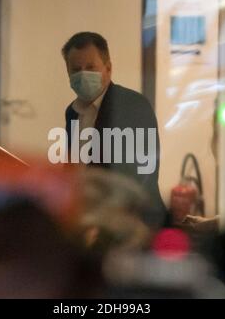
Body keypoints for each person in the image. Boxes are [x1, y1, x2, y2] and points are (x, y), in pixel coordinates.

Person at [62, 32, 166, 228]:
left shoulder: (132, 104)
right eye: (76, 69)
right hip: (90, 222)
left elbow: (141, 173)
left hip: (133, 221)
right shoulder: (72, 112)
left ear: (108, 69)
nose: (83, 74)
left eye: (90, 67)